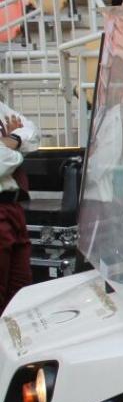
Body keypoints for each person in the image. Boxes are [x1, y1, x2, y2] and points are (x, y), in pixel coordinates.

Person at [0, 103, 39, 315]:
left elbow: (33, 131)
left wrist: (14, 139)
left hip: (13, 208)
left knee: (21, 295)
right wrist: (18, 149)